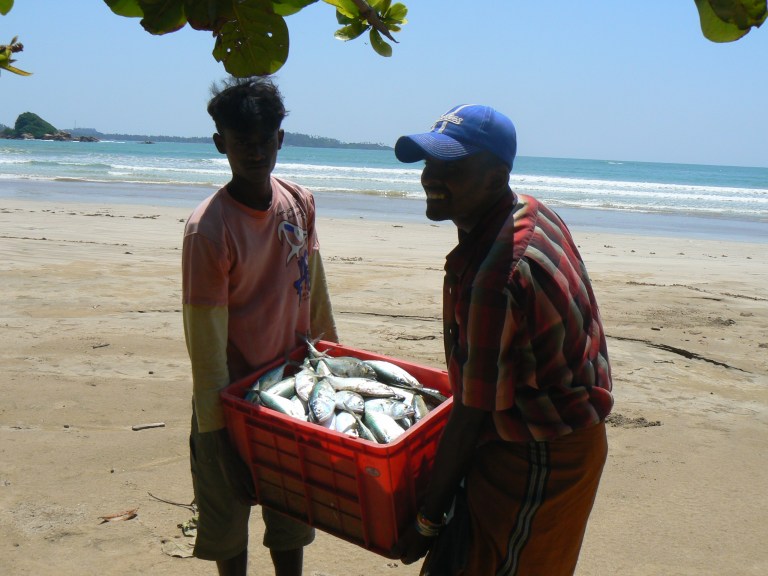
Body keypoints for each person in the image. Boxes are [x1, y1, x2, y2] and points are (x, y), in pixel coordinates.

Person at [393, 104, 614, 575]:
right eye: (430, 163)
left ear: (495, 178)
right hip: (538, 428)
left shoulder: (496, 276)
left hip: (543, 450)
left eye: (451, 167)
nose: (430, 177)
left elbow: (472, 412)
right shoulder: (530, 210)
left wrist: (428, 520)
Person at [182, 76, 338, 576]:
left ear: (280, 139)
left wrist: (333, 361)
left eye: (263, 139)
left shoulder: (299, 202)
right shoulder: (209, 229)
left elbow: (314, 290)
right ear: (219, 143)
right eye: (240, 141)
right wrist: (215, 428)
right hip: (228, 399)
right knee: (227, 521)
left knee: (291, 515)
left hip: (293, 388)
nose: (253, 151)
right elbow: (204, 342)